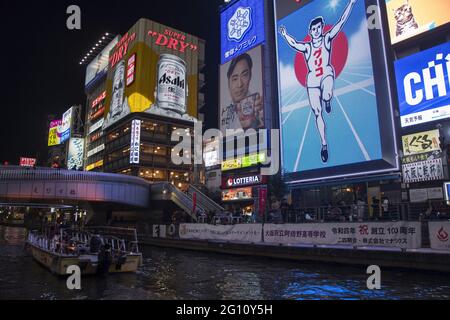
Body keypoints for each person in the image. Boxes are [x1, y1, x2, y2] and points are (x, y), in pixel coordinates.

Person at [278, 0, 357, 163]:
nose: (316, 31)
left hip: (326, 73)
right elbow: (295, 44)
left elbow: (341, 22)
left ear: (321, 28)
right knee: (317, 112)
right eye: (313, 29)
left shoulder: (327, 38)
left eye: (318, 28)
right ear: (310, 31)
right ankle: (324, 144)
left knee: (327, 93)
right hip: (312, 80)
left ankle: (327, 100)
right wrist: (285, 34)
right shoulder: (307, 47)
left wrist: (351, 3)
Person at [221, 53, 264, 131]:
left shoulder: (258, 106)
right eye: (235, 79)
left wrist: (255, 122)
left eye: (244, 75)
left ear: (250, 76)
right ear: (228, 82)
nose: (240, 84)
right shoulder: (225, 111)